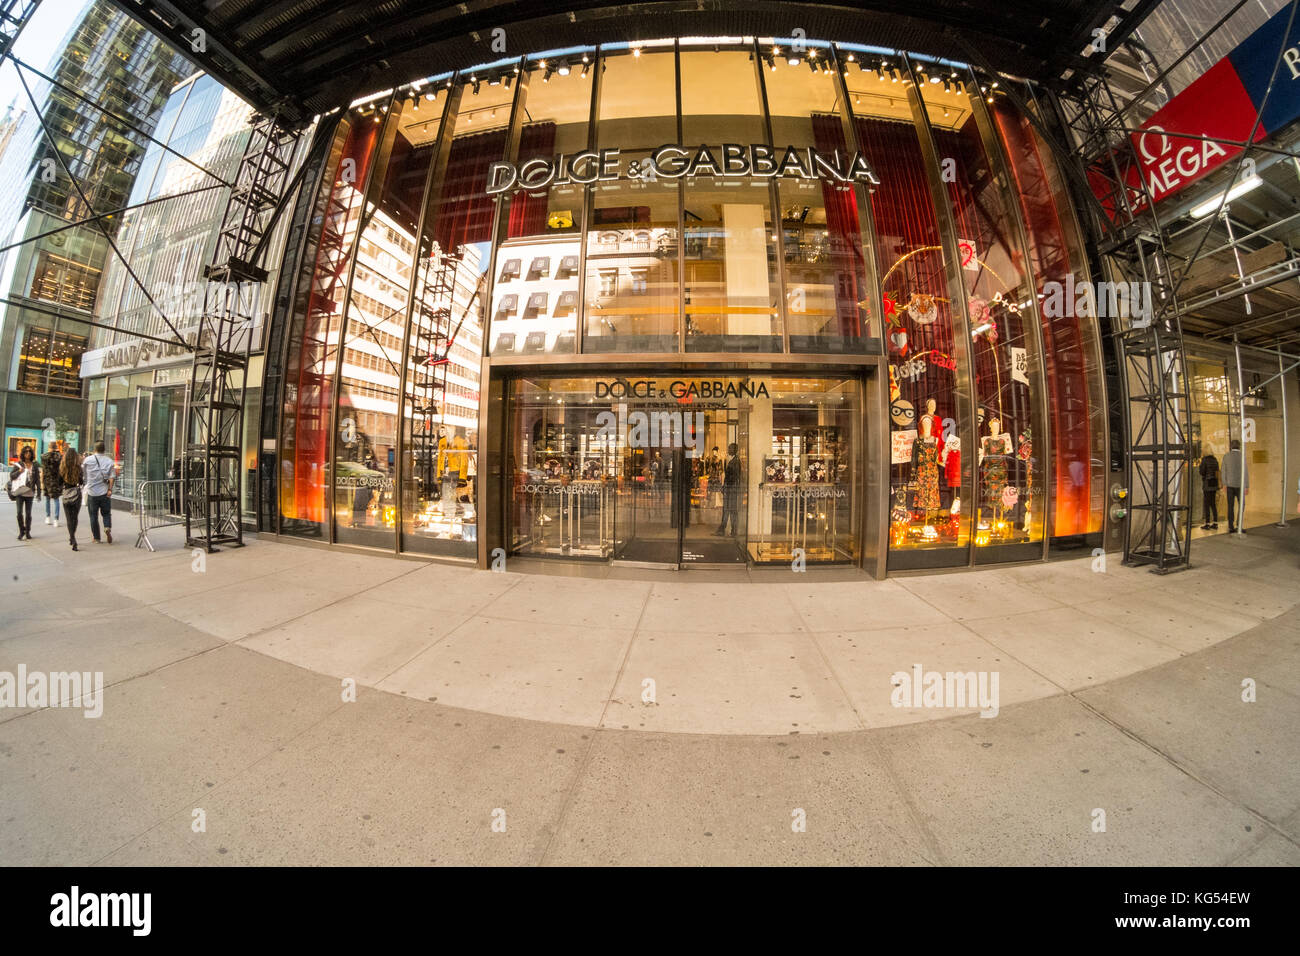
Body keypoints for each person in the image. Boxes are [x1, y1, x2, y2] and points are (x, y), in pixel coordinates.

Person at [82, 440, 116, 544]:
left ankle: (96, 538)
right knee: (106, 513)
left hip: (92, 492)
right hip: (105, 492)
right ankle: (107, 527)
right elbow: (112, 477)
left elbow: (84, 475)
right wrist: (110, 489)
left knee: (93, 516)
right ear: (104, 449)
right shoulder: (109, 461)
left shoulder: (87, 460)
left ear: (94, 449)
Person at [8, 445, 40, 540]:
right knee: (19, 513)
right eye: (26, 452)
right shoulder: (19, 464)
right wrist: (19, 472)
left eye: (30, 452)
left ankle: (28, 531)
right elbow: (12, 476)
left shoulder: (34, 465)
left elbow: (37, 480)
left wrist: (38, 492)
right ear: (23, 453)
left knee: (28, 514)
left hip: (30, 493)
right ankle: (22, 531)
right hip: (20, 492)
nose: (28, 453)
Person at [713, 442, 742, 537]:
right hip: (730, 489)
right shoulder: (733, 461)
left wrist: (726, 487)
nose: (728, 450)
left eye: (730, 448)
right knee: (727, 509)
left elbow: (733, 477)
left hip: (731, 490)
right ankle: (723, 529)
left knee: (731, 510)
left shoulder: (736, 462)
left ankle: (731, 530)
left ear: (735, 450)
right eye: (729, 448)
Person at [1222, 438, 1248, 534]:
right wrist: (1246, 486)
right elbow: (1245, 472)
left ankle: (1230, 526)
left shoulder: (1226, 456)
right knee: (1242, 505)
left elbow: (1223, 471)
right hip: (1240, 485)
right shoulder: (1242, 456)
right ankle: (1239, 525)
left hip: (1229, 485)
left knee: (1230, 505)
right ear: (1239, 446)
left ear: (1231, 446)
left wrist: (1224, 483)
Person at [60, 448, 84, 551]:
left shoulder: (62, 468)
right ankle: (72, 536)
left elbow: (58, 482)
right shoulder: (78, 468)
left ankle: (72, 538)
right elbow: (81, 481)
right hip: (76, 495)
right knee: (75, 518)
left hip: (66, 494)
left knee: (69, 518)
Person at [41, 440, 64, 527]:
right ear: (55, 448)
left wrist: (41, 481)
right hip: (56, 481)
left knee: (47, 499)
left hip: (47, 480)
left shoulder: (43, 456)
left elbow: (43, 469)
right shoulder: (59, 456)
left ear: (48, 447)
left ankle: (47, 517)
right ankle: (56, 519)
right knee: (56, 500)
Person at [1198, 449, 1220, 530]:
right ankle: (1215, 522)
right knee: (1213, 504)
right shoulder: (1215, 460)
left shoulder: (1204, 460)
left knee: (1206, 504)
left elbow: (1202, 472)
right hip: (1214, 483)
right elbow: (1217, 471)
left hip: (1207, 483)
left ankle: (1207, 523)